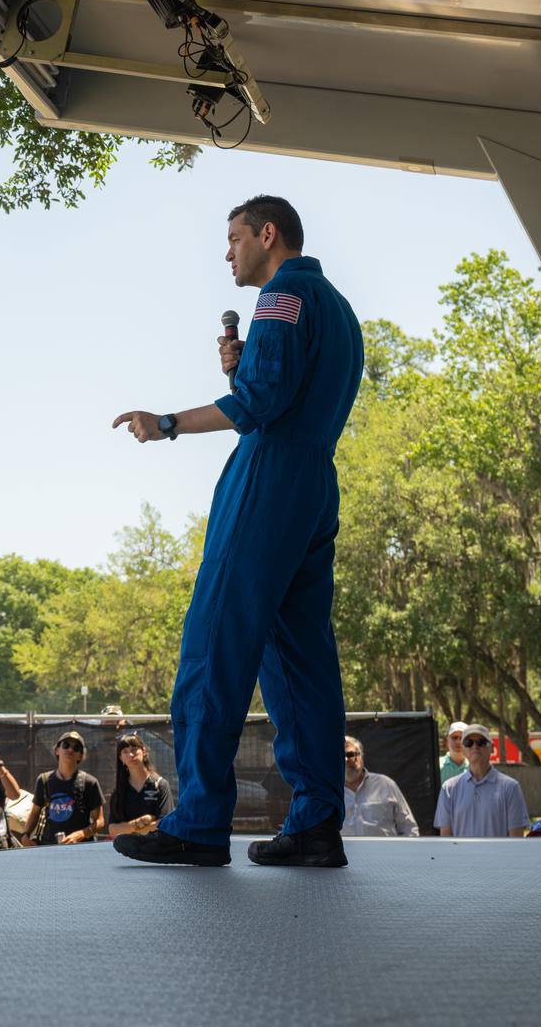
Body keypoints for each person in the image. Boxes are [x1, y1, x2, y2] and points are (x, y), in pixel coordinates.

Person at [111, 196, 364, 870]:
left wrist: (164, 423)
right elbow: (285, 390)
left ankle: (196, 821)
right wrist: (241, 367)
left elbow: (258, 408)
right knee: (301, 662)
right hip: (314, 482)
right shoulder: (337, 307)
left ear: (268, 233)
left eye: (234, 239)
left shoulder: (280, 296)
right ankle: (315, 824)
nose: (228, 253)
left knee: (214, 643)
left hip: (269, 480)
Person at [433, 726, 528, 838]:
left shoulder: (511, 788)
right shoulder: (448, 789)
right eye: (469, 742)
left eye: (481, 742)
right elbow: (445, 839)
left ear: (492, 748)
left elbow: (516, 840)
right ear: (463, 749)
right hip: (460, 856)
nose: (475, 746)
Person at [27, 731, 105, 846]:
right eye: (65, 745)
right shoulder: (44, 780)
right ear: (57, 750)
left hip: (81, 849)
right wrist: (25, 834)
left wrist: (80, 835)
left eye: (76, 748)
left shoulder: (90, 782)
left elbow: (100, 821)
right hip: (48, 847)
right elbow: (34, 813)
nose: (70, 750)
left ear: (81, 755)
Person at [340, 736, 418, 837]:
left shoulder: (385, 785)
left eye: (350, 754)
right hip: (346, 853)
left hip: (386, 852)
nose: (346, 760)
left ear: (361, 757)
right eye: (340, 756)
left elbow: (409, 829)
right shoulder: (329, 792)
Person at [108, 733, 170, 839]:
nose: (131, 755)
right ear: (121, 758)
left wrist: (128, 830)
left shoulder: (160, 785)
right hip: (127, 851)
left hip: (154, 850)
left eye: (134, 749)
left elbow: (163, 825)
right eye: (125, 752)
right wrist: (141, 822)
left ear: (144, 751)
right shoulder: (119, 791)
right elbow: (113, 830)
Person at [438, 722, 470, 786]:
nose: (458, 741)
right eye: (454, 737)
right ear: (448, 740)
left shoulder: (475, 767)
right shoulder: (437, 764)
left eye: (462, 738)